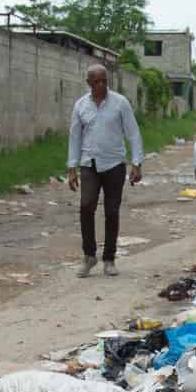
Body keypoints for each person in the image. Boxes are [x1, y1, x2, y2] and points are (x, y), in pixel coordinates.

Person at [66, 64, 143, 276]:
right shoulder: (81, 106)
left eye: (104, 81)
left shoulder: (120, 103)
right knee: (86, 206)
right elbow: (74, 137)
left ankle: (109, 259)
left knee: (111, 211)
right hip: (89, 163)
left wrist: (136, 163)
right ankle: (89, 256)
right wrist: (72, 168)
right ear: (89, 83)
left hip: (114, 165)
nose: (101, 85)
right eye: (96, 81)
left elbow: (133, 133)